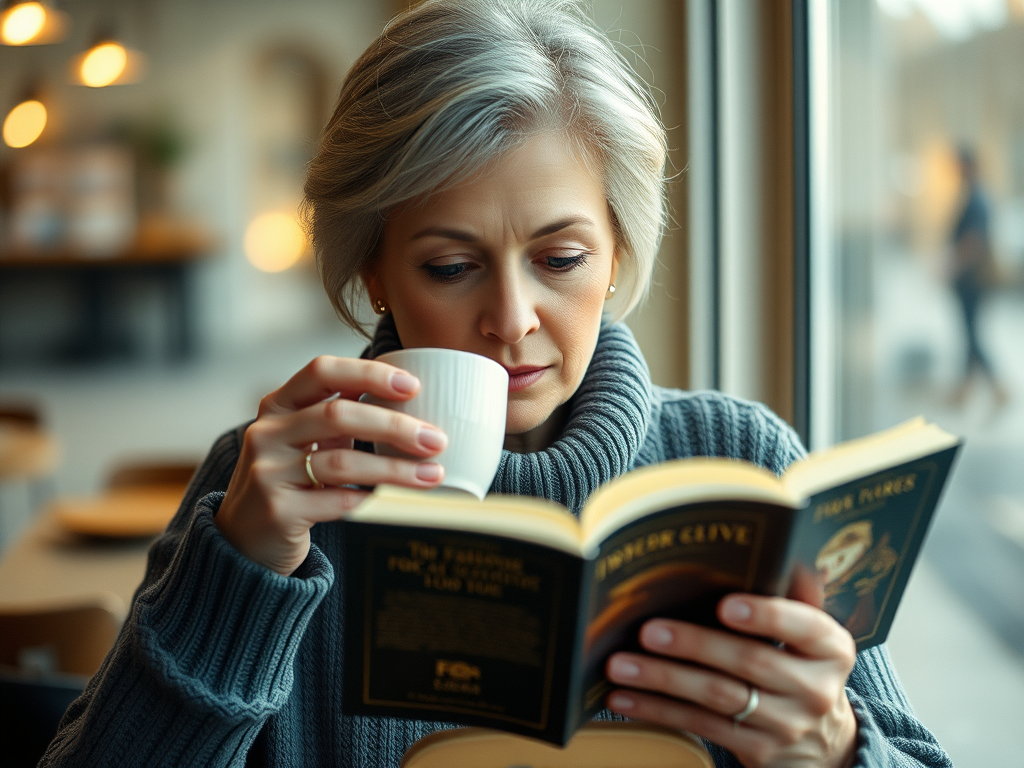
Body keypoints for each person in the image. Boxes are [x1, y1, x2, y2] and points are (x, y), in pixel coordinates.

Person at [41, 1, 951, 766]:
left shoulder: (740, 458)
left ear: (618, 254)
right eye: (449, 266)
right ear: (375, 277)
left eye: (560, 258)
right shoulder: (267, 492)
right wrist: (236, 574)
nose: (512, 318)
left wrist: (835, 745)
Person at [949, 146, 1009, 408]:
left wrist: (952, 266)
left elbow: (973, 241)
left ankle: (998, 388)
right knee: (969, 334)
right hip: (971, 278)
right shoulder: (974, 196)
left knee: (972, 335)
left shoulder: (977, 199)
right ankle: (965, 390)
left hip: (973, 279)